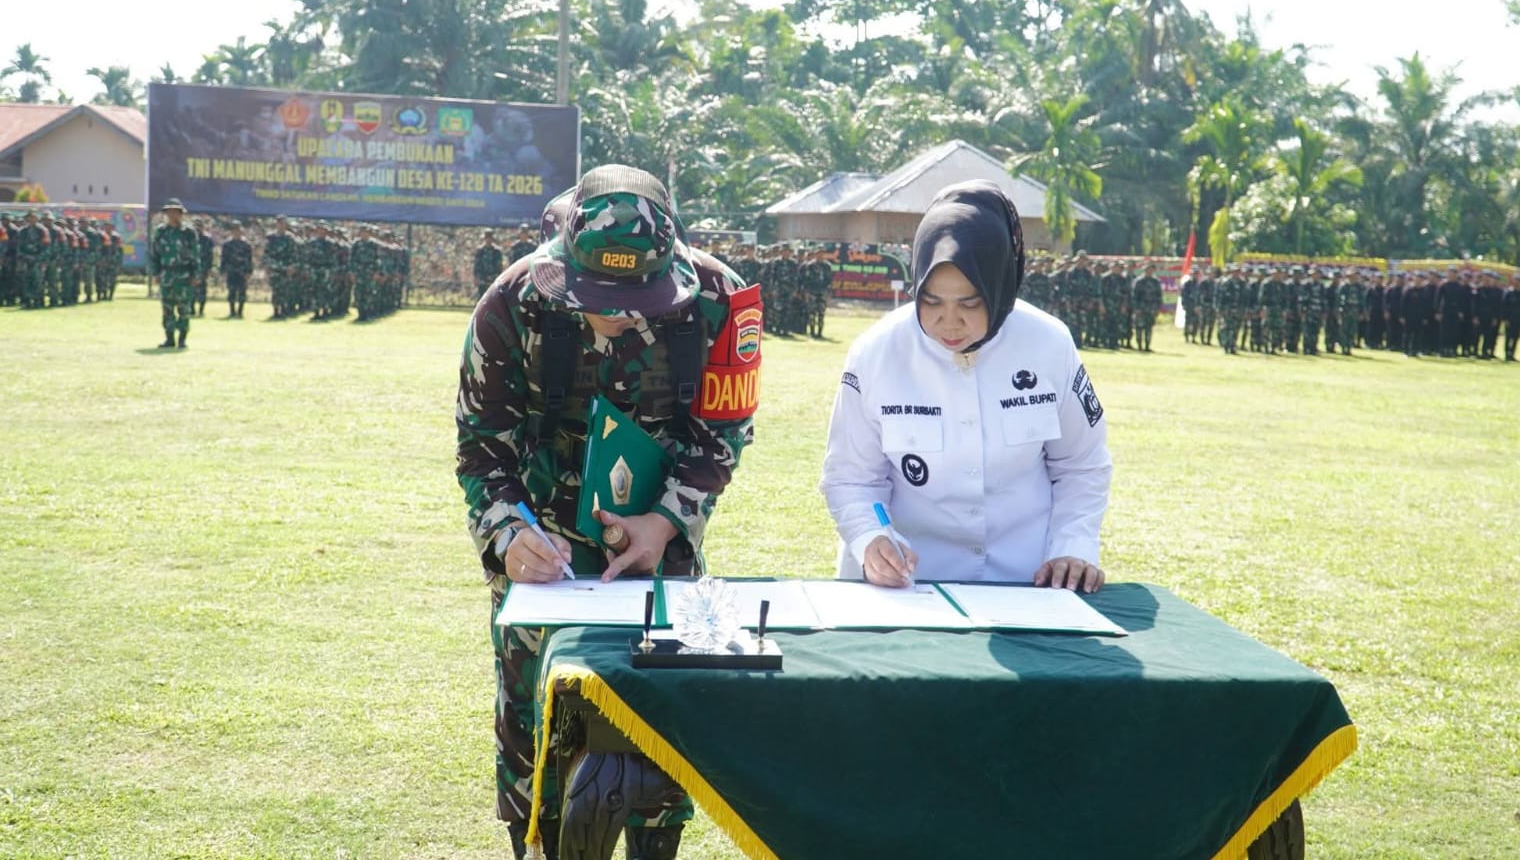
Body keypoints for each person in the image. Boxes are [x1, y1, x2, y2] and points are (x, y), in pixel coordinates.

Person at [454, 165, 758, 860]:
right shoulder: (513, 301)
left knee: (666, 708)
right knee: (536, 718)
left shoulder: (721, 298)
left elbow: (726, 430)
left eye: (642, 300)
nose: (625, 315)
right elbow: (481, 449)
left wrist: (666, 521)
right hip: (544, 543)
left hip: (662, 541)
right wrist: (508, 533)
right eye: (603, 300)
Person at [820, 180, 1111, 591]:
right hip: (909, 586)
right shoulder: (876, 352)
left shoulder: (1049, 344)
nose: (949, 322)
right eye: (932, 301)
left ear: (1000, 286)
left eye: (970, 303)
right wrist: (870, 538)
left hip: (1027, 584)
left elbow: (1082, 464)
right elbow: (851, 477)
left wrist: (1074, 545)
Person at [149, 198, 200, 348]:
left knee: (184, 309)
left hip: (184, 275)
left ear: (181, 214)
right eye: (169, 212)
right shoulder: (161, 231)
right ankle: (169, 339)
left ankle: (182, 339)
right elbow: (154, 254)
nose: (172, 215)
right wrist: (156, 273)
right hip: (167, 275)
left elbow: (195, 254)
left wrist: (195, 274)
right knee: (167, 308)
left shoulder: (189, 232)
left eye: (175, 212)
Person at [219, 222, 254, 318]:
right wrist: (222, 271)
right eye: (234, 230)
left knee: (242, 292)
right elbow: (223, 258)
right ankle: (232, 311)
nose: (236, 232)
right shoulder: (227, 244)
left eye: (238, 230)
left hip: (242, 271)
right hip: (231, 271)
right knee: (231, 292)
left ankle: (240, 312)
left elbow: (249, 259)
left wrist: (249, 271)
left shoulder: (246, 244)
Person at [1131, 262, 1163, 352]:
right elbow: (1134, 296)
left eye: (1151, 269)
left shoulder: (1156, 282)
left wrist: (1157, 308)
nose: (1149, 271)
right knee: (1139, 327)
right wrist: (1136, 308)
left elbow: (1159, 296)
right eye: (1148, 269)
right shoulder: (1138, 281)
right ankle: (1139, 346)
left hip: (1151, 309)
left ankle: (1147, 346)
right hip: (1140, 309)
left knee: (1149, 328)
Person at [1502, 274, 1520, 362]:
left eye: (1519, 281)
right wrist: (1505, 319)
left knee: (1515, 337)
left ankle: (1512, 354)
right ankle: (1507, 354)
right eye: (1516, 280)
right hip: (1509, 319)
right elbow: (1504, 307)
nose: (1517, 283)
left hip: (1518, 319)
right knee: (1508, 337)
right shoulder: (1508, 293)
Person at [473, 230, 504, 300]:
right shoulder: (480, 250)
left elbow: (499, 266)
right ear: (484, 238)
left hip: (493, 277)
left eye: (490, 237)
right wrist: (476, 277)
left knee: (493, 298)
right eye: (487, 237)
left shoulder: (497, 251)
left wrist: (499, 277)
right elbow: (476, 265)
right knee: (481, 298)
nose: (488, 239)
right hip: (482, 278)